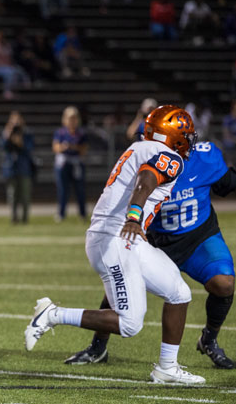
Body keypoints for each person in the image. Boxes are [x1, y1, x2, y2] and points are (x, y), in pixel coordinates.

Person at [24, 105, 203, 384]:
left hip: (123, 237)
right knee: (130, 323)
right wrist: (134, 217)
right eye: (186, 136)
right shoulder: (169, 156)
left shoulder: (140, 146)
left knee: (179, 292)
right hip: (117, 237)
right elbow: (145, 181)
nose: (189, 142)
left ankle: (167, 368)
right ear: (174, 136)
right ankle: (53, 314)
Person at [65, 140, 236, 368]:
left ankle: (209, 339)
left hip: (198, 236)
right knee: (118, 287)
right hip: (158, 240)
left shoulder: (202, 159)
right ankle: (98, 347)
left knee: (224, 284)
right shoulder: (150, 160)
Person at [52, 106, 88, 222]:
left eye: (74, 118)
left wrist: (74, 147)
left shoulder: (81, 133)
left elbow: (84, 150)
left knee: (80, 190)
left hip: (76, 163)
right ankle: (61, 213)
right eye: (69, 118)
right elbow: (55, 147)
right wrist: (64, 147)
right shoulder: (60, 132)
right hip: (63, 164)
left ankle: (82, 214)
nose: (72, 121)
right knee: (63, 190)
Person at [0, 111, 34, 224]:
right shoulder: (7, 133)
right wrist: (8, 131)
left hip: (24, 168)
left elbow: (29, 149)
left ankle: (25, 218)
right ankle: (14, 218)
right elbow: (2, 146)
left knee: (25, 195)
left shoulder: (27, 133)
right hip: (11, 169)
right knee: (12, 195)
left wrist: (20, 142)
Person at [0, 30, 26, 100]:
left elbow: (9, 57)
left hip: (4, 67)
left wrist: (7, 63)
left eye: (1, 36)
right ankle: (7, 91)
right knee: (10, 72)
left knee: (18, 70)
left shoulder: (6, 44)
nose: (0, 38)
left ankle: (18, 88)